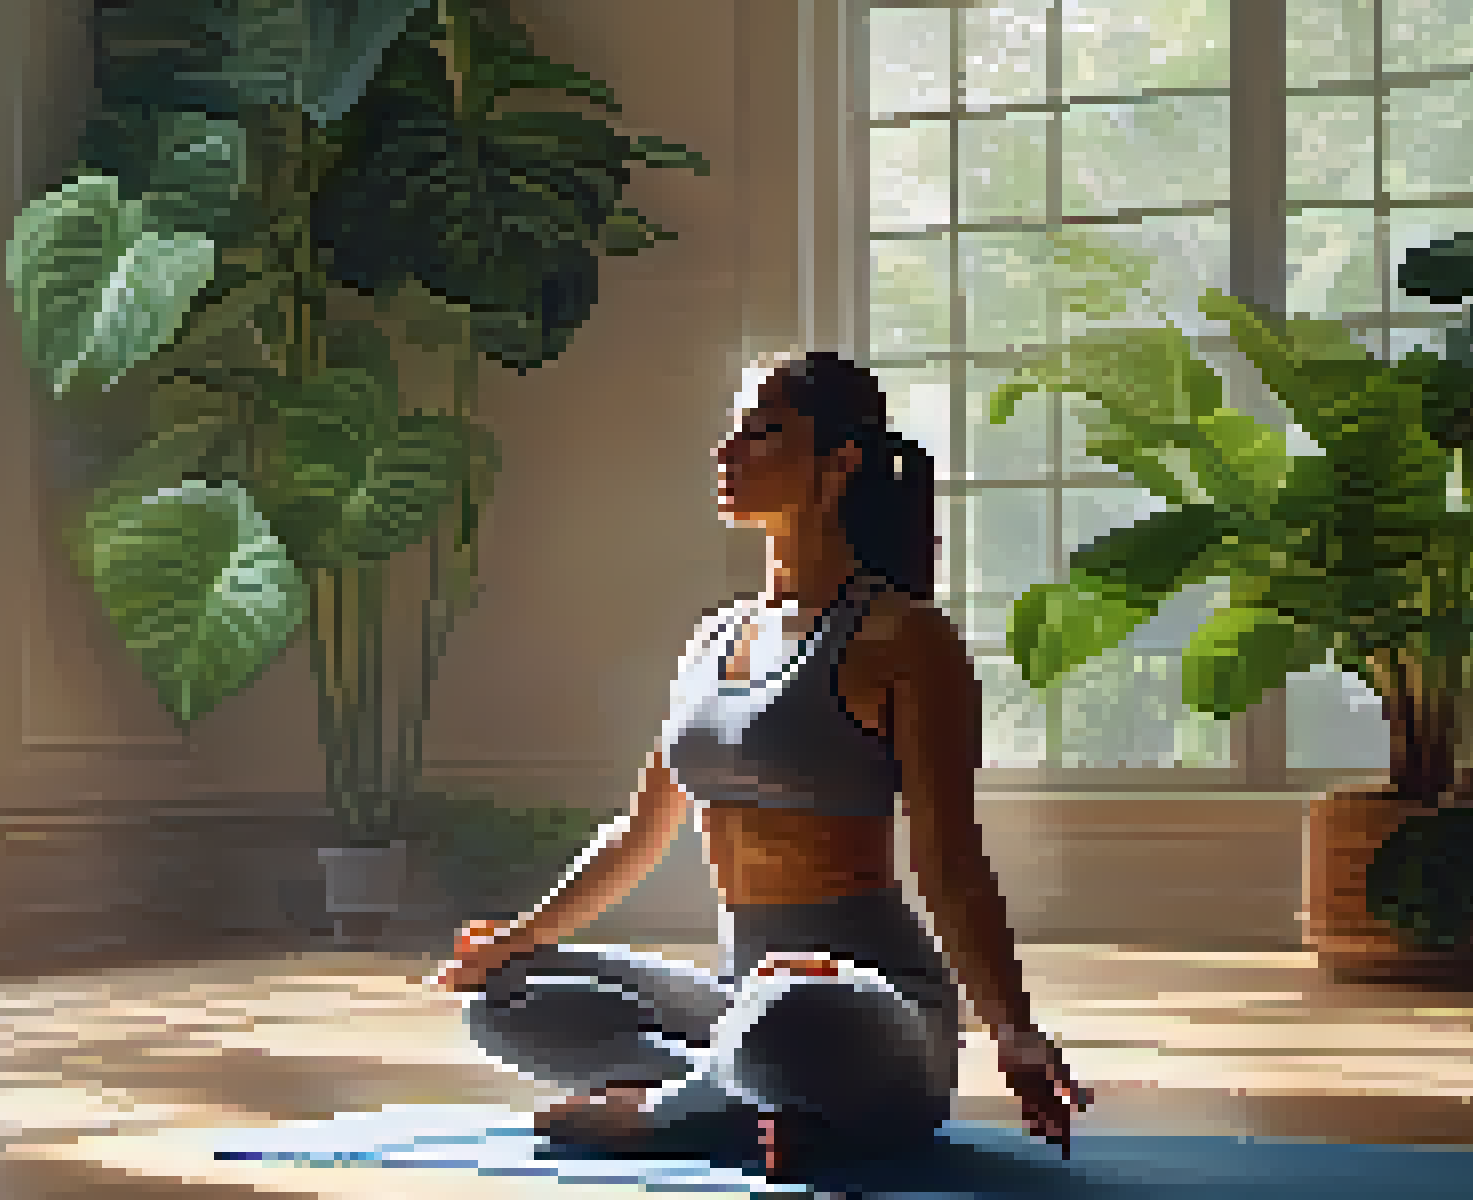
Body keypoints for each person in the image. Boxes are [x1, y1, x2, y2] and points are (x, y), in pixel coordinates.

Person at [427, 351, 1093, 1176]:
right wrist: (517, 937)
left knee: (793, 1012)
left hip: (864, 1011)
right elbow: (639, 833)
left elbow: (950, 861)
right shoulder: (714, 638)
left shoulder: (904, 638)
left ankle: (669, 1112)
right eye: (733, 431)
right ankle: (759, 1106)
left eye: (762, 432)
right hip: (740, 997)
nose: (727, 451)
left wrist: (1013, 1031)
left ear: (839, 461)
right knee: (504, 999)